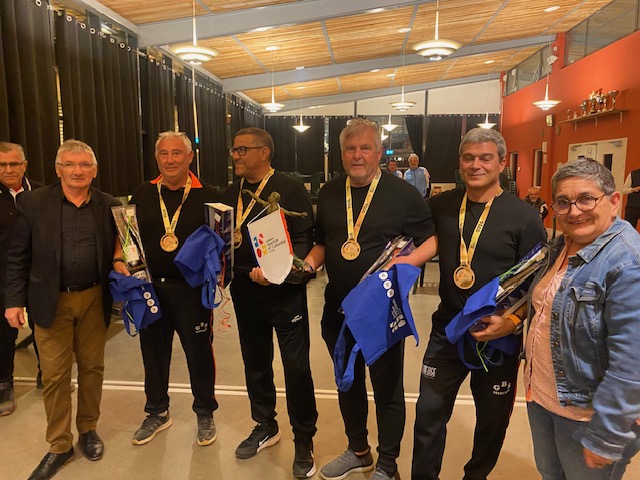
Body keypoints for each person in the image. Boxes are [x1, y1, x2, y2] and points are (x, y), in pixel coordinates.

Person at [395, 128, 546, 480]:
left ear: (502, 163)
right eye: (468, 158)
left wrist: (511, 323)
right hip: (447, 330)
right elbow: (406, 234)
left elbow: (537, 286)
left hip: (498, 335)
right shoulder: (441, 206)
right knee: (428, 412)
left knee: (492, 421)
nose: (476, 165)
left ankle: (475, 476)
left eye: (485, 158)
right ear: (460, 162)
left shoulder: (524, 217)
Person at [304, 118, 434, 480]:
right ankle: (358, 451)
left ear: (379, 153)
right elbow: (322, 242)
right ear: (341, 153)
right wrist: (307, 265)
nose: (357, 155)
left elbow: (431, 239)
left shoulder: (402, 193)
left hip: (381, 312)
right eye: (350, 149)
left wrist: (409, 262)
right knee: (347, 381)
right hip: (338, 310)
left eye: (365, 148)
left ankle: (388, 463)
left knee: (387, 388)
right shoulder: (330, 193)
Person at [4, 140, 120, 480]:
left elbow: (123, 248)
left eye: (84, 165)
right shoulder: (32, 203)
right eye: (69, 164)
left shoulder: (109, 205)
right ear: (58, 169)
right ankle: (59, 444)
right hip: (49, 302)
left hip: (94, 299)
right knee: (55, 376)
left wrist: (123, 265)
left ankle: (88, 429)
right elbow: (17, 256)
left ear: (94, 171)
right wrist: (13, 300)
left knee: (92, 368)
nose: (77, 171)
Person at [524, 158, 640, 480]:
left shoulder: (627, 262)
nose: (574, 211)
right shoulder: (562, 245)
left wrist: (607, 434)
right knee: (550, 474)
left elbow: (632, 361)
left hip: (587, 417)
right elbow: (549, 307)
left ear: (614, 202)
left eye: (587, 199)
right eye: (563, 202)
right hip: (544, 397)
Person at [221, 127, 318, 478]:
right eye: (234, 150)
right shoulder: (231, 192)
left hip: (284, 294)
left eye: (243, 150)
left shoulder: (290, 187)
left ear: (264, 152)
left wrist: (284, 269)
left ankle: (304, 439)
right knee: (255, 363)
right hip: (244, 292)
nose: (236, 156)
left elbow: (305, 239)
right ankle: (265, 424)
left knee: (296, 368)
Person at [117, 131, 221, 447]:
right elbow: (128, 236)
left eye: (177, 153)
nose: (170, 160)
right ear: (156, 157)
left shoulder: (209, 195)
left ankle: (205, 412)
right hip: (150, 289)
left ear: (190, 157)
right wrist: (121, 259)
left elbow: (221, 242)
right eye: (164, 153)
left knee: (199, 353)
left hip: (191, 291)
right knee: (153, 353)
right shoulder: (142, 193)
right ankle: (157, 411)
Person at [0, 142, 42, 416]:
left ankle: (46, 373)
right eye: (2, 165)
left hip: (38, 275)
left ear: (24, 165)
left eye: (14, 164)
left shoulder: (41, 193)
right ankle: (4, 384)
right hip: (3, 277)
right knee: (4, 333)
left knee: (44, 327)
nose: (8, 169)